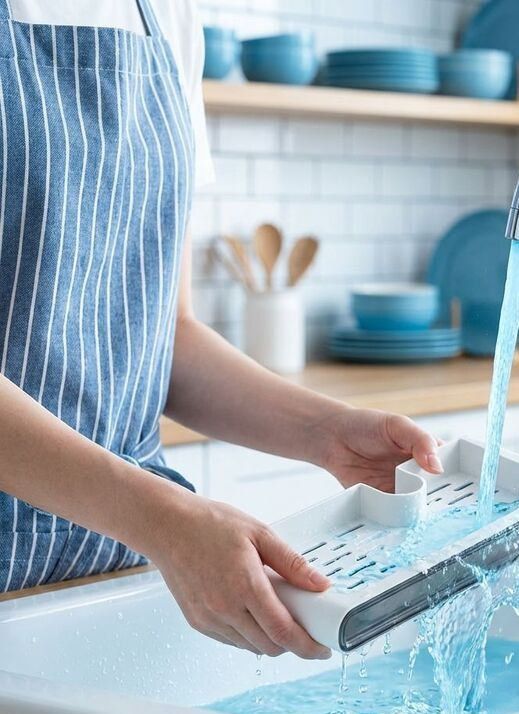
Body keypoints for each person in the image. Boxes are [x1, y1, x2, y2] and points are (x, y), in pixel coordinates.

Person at [0, 0, 443, 661]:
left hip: (112, 565)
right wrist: (159, 517)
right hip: (134, 528)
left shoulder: (168, 17)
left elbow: (167, 334)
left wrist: (327, 433)